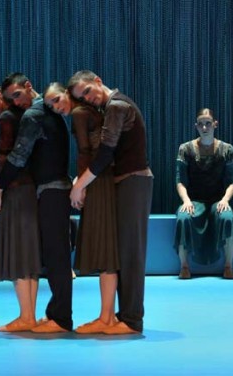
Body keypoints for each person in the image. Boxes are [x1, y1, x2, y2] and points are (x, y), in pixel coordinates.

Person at [68, 70, 153, 335]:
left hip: (133, 182)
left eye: (88, 91)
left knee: (130, 253)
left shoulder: (116, 106)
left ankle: (131, 320)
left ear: (98, 81)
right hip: (125, 183)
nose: (88, 98)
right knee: (122, 252)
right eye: (82, 98)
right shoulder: (110, 107)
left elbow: (106, 152)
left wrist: (79, 186)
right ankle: (119, 317)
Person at [0, 73, 73, 334]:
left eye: (17, 94)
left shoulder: (35, 115)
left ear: (28, 87)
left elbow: (19, 155)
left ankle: (60, 319)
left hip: (51, 190)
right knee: (54, 254)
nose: (15, 102)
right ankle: (57, 316)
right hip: (54, 189)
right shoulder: (49, 111)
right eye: (10, 99)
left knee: (56, 256)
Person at [43, 83, 119, 334]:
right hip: (102, 179)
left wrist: (80, 185)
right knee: (106, 248)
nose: (55, 107)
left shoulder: (78, 114)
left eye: (57, 99)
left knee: (105, 248)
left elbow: (86, 152)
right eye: (50, 105)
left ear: (67, 93)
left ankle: (106, 317)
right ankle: (106, 315)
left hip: (98, 182)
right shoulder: (88, 112)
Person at [0, 80, 41, 332]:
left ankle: (26, 317)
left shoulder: (8, 117)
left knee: (18, 252)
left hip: (15, 190)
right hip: (29, 189)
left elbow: (10, 158)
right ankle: (29, 315)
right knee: (28, 254)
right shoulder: (24, 115)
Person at [173, 108, 233, 280]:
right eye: (201, 124)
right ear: (196, 126)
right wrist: (186, 201)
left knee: (227, 217)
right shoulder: (186, 149)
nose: (205, 128)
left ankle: (228, 266)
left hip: (217, 200)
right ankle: (184, 266)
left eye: (208, 124)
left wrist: (225, 199)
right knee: (183, 217)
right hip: (194, 200)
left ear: (215, 124)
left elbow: (232, 181)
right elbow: (180, 180)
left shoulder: (227, 149)